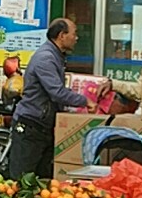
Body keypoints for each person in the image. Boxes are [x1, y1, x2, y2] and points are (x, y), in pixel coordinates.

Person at [8, 18, 90, 180]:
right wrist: (85, 101)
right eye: (74, 33)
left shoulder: (56, 56)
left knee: (41, 180)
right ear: (62, 35)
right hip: (31, 126)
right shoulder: (46, 58)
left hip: (43, 127)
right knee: (22, 180)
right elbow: (57, 92)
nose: (76, 38)